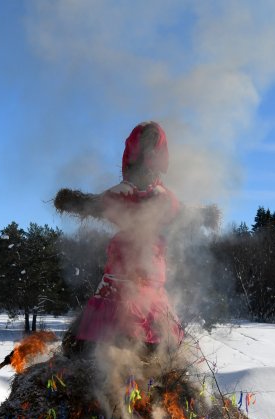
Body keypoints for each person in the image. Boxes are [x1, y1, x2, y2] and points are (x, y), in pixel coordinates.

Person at [55, 121, 185, 352]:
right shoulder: (153, 196)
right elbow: (92, 205)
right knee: (140, 322)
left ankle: (124, 354)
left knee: (123, 324)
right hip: (138, 267)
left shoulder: (144, 195)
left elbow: (92, 205)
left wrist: (70, 200)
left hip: (137, 269)